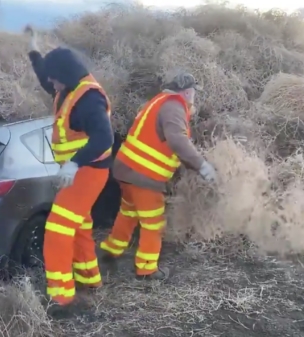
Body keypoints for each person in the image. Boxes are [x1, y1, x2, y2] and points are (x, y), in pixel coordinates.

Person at [25, 25, 114, 307]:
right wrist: (33, 48)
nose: (51, 83)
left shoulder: (89, 99)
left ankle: (61, 299)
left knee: (58, 229)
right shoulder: (67, 87)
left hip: (88, 172)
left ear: (64, 76)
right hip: (78, 171)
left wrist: (74, 164)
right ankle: (90, 279)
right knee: (79, 225)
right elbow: (44, 77)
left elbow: (104, 137)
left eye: (55, 79)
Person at [99, 72, 217, 281]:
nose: (194, 97)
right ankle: (146, 268)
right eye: (193, 93)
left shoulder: (158, 101)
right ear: (187, 92)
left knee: (129, 211)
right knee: (153, 222)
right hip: (144, 176)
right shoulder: (174, 107)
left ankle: (112, 248)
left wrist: (190, 165)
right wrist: (203, 166)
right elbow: (178, 141)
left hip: (126, 169)